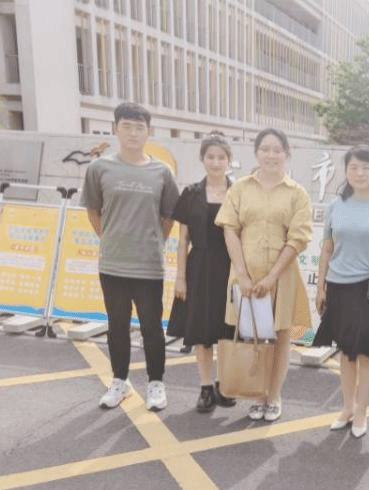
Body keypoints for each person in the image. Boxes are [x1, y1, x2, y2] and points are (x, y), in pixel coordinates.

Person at [80, 102, 180, 411]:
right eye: (126, 126)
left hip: (148, 265)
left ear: (149, 132)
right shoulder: (99, 169)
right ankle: (120, 381)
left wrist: (155, 241)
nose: (133, 133)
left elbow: (169, 216)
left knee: (151, 327)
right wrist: (110, 238)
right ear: (115, 129)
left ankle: (156, 384)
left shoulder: (162, 172)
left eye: (139, 128)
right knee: (117, 326)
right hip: (113, 263)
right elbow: (93, 211)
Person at [215, 128, 312, 422]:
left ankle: (275, 396)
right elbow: (230, 230)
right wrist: (242, 275)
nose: (271, 155)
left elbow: (298, 238)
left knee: (280, 337)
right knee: (253, 334)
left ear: (287, 154)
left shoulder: (297, 193)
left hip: (281, 276)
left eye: (277, 149)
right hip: (246, 274)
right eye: (265, 149)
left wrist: (272, 277)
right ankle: (258, 395)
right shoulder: (240, 188)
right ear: (256, 153)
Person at [313, 145, 369, 438]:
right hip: (339, 287)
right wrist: (320, 287)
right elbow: (326, 249)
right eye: (354, 167)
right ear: (346, 171)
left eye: (366, 167)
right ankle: (347, 408)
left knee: (367, 353)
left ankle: (362, 410)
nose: (360, 173)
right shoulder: (335, 207)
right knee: (346, 353)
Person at [167, 132, 237, 412]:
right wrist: (180, 278)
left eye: (221, 157)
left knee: (227, 331)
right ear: (202, 159)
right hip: (199, 268)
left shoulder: (239, 192)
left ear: (229, 160)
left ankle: (224, 385)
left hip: (231, 269)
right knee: (202, 331)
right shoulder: (191, 193)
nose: (216, 162)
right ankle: (206, 387)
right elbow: (183, 240)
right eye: (211, 157)